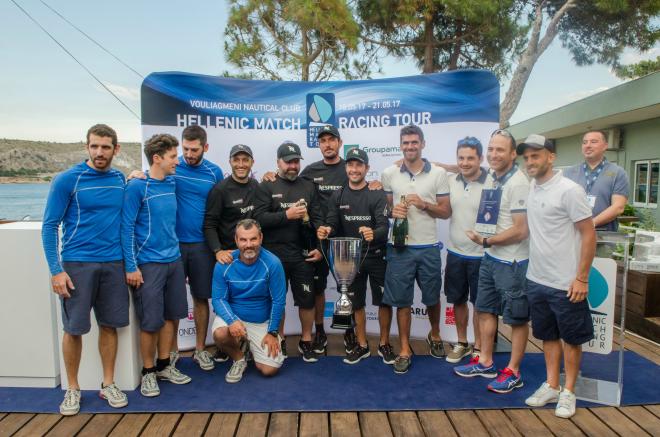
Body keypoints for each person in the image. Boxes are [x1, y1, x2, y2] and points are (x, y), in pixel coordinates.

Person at [42, 124, 129, 415]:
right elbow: (49, 226)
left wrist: (136, 176)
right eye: (94, 146)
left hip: (113, 263)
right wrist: (56, 270)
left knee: (109, 325)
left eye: (105, 147)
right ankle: (72, 388)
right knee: (74, 329)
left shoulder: (119, 179)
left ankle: (108, 384)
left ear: (116, 149)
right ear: (87, 147)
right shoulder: (67, 180)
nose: (99, 152)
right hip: (77, 264)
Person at [130, 126, 224, 369]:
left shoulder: (214, 172)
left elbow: (222, 206)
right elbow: (151, 178)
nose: (188, 155)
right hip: (173, 246)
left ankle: (200, 349)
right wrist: (133, 174)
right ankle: (170, 354)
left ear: (205, 147)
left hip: (202, 244)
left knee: (201, 298)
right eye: (185, 149)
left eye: (194, 150)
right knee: (171, 304)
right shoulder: (173, 166)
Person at [518, 134, 596, 419]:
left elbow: (589, 234)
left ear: (551, 157)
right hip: (537, 278)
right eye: (527, 157)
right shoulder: (532, 187)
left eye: (536, 155)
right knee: (548, 336)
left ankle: (569, 391)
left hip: (566, 283)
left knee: (572, 339)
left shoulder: (570, 190)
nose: (530, 161)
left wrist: (582, 278)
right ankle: (552, 385)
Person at [455, 129, 530, 394]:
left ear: (513, 154)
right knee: (485, 309)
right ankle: (485, 361)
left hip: (512, 262)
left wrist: (487, 241)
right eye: (491, 149)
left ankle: (513, 371)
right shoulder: (493, 178)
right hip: (490, 257)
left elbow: (521, 229)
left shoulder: (518, 182)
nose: (494, 154)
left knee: (517, 319)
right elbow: (460, 168)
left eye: (500, 150)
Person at [121, 133, 191, 398]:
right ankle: (148, 371)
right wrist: (131, 266)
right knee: (150, 322)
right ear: (157, 158)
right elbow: (126, 227)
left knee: (172, 316)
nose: (177, 161)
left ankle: (163, 365)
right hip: (148, 264)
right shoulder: (137, 186)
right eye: (173, 156)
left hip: (174, 260)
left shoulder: (172, 182)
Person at [381, 124, 451, 374]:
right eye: (406, 143)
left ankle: (435, 334)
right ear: (400, 145)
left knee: (432, 298)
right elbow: (385, 209)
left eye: (414, 142)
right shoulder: (389, 173)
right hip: (400, 247)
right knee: (402, 302)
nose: (410, 147)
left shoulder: (439, 174)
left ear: (422, 144)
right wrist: (392, 212)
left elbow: (446, 212)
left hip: (429, 247)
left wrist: (424, 205)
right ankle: (404, 349)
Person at [316, 148, 394, 365]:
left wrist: (373, 233)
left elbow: (384, 226)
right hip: (349, 257)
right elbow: (333, 222)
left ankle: (384, 343)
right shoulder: (338, 194)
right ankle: (362, 345)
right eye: (350, 165)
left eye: (359, 165)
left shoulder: (376, 193)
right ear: (346, 168)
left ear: (367, 168)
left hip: (377, 255)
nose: (354, 169)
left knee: (384, 302)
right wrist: (327, 229)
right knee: (356, 303)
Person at [253, 141, 323, 362]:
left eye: (296, 162)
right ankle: (280, 339)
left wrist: (320, 247)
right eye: (288, 162)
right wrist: (286, 215)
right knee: (277, 301)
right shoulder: (266, 186)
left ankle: (306, 340)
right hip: (274, 256)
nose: (293, 166)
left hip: (303, 255)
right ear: (278, 162)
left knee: (307, 301)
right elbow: (258, 219)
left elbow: (318, 219)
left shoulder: (308, 186)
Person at [211, 219, 286, 383]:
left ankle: (247, 344)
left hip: (261, 321)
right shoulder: (224, 264)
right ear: (236, 240)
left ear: (261, 238)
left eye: (253, 239)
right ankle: (239, 358)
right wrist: (232, 321)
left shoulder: (273, 263)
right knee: (220, 334)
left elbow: (279, 301)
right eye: (243, 240)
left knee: (269, 369)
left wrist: (272, 332)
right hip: (235, 317)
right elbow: (218, 299)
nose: (248, 245)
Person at [444, 137, 491, 363]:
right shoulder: (451, 180)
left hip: (482, 255)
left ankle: (479, 347)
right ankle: (462, 343)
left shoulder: (492, 182)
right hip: (455, 253)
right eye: (461, 158)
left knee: (480, 305)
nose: (464, 162)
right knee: (458, 301)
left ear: (480, 159)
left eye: (470, 158)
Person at [563, 130, 629, 232]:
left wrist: (590, 224)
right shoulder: (569, 173)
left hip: (603, 235)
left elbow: (618, 207)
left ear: (605, 146)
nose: (588, 145)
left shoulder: (617, 172)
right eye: (585, 142)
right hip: (572, 234)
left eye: (593, 142)